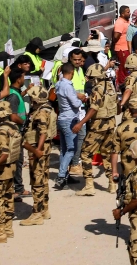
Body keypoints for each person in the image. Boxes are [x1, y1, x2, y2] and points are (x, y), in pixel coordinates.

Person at [76, 63, 118, 196]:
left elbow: (94, 108)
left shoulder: (97, 90)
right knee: (106, 153)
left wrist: (80, 123)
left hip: (98, 125)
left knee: (85, 153)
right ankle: (112, 183)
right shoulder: (110, 86)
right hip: (110, 123)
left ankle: (89, 185)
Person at [20, 84, 55, 225]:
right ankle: (44, 209)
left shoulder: (40, 113)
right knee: (44, 178)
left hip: (38, 148)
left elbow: (43, 132)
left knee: (37, 181)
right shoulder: (48, 109)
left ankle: (37, 213)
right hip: (46, 148)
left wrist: (37, 150)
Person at [0, 100, 22, 244]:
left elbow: (3, 153)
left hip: (2, 170)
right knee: (9, 198)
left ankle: (1, 232)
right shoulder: (13, 127)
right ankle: (9, 229)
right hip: (12, 168)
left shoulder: (1, 131)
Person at [54, 62, 86, 190]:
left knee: (64, 149)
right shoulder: (67, 85)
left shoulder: (59, 84)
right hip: (69, 119)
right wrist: (82, 99)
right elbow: (75, 103)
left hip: (62, 118)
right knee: (71, 149)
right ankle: (61, 176)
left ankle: (65, 174)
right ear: (71, 73)